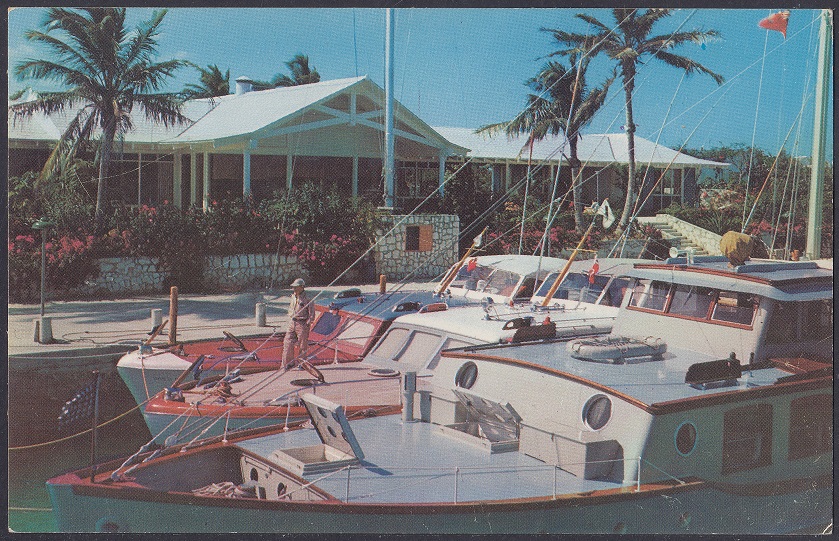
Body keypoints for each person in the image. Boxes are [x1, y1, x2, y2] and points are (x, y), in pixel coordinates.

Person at [282, 278, 315, 367]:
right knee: (287, 342)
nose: (294, 289)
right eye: (293, 287)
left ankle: (302, 364)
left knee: (302, 345)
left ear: (302, 287)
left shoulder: (308, 298)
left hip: (302, 323)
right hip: (293, 322)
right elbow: (291, 308)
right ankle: (288, 363)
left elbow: (312, 314)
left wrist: (307, 323)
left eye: (296, 287)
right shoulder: (293, 296)